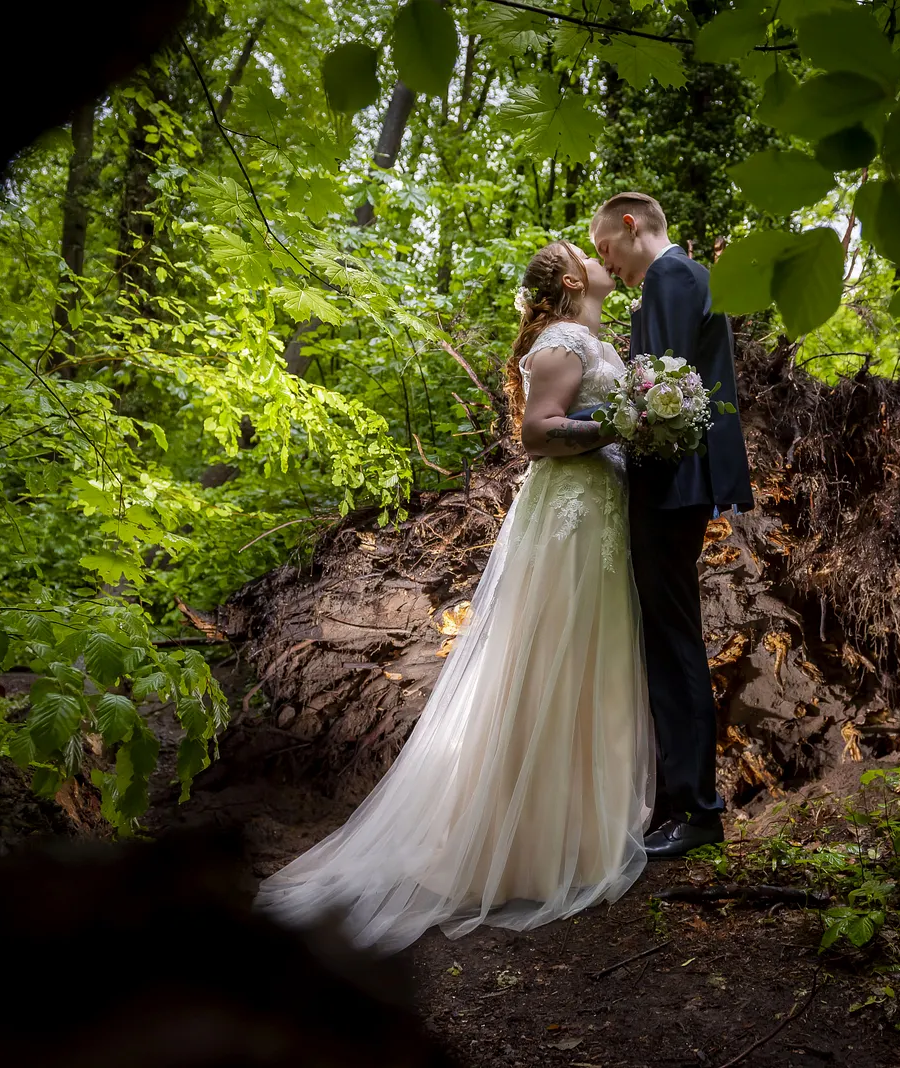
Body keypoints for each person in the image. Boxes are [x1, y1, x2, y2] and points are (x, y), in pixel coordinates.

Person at [255, 241, 653, 953]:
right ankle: (522, 845)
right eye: (582, 253)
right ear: (571, 281)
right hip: (571, 519)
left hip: (600, 511)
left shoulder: (594, 339)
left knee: (589, 664)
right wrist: (619, 427)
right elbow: (536, 435)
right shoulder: (564, 341)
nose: (599, 258)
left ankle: (570, 837)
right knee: (549, 665)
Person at [589, 192, 754, 860]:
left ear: (631, 227)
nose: (608, 263)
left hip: (671, 483)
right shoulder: (679, 277)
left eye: (606, 249)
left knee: (675, 640)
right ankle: (677, 799)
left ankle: (697, 807)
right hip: (674, 481)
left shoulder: (671, 277)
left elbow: (660, 388)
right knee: (665, 637)